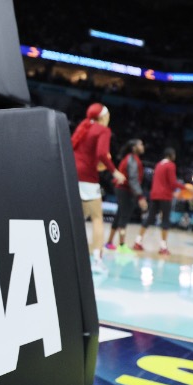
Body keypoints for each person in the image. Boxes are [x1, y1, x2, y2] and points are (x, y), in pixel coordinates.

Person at [72, 103, 126, 273]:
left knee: (76, 219)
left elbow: (86, 156)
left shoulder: (83, 127)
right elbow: (102, 154)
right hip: (88, 179)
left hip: (72, 174)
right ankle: (96, 260)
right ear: (103, 116)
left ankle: (67, 255)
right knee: (97, 219)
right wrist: (115, 172)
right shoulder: (103, 131)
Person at [134, 147, 184, 255]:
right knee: (165, 220)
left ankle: (137, 242)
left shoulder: (158, 165)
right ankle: (163, 247)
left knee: (149, 218)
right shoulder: (170, 165)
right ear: (171, 155)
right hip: (165, 196)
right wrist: (184, 188)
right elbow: (172, 183)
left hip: (155, 194)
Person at [106, 139, 148, 252]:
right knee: (124, 217)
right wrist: (140, 197)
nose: (142, 146)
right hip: (125, 190)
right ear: (134, 147)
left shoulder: (130, 158)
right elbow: (133, 180)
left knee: (119, 215)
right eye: (140, 144)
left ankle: (109, 242)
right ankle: (122, 245)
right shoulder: (132, 160)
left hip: (122, 189)